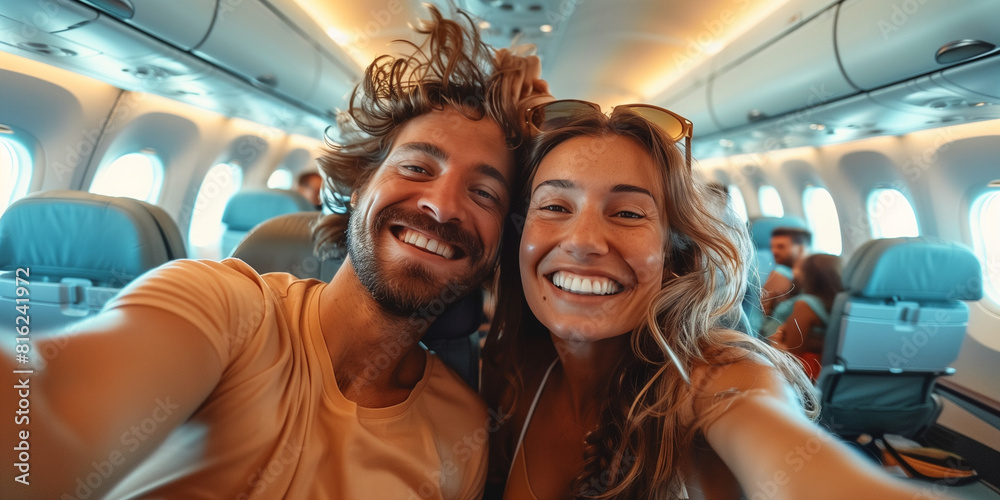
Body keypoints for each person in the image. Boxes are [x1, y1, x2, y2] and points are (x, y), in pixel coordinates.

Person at [0, 8, 549, 499]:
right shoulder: (224, 309)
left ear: (501, 239)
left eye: (484, 193)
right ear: (359, 185)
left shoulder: (463, 432)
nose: (443, 206)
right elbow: (46, 409)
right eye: (416, 167)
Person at [481, 101, 951, 499]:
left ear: (673, 254)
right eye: (554, 206)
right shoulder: (513, 368)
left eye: (627, 213)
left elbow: (774, 435)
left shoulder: (714, 381)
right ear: (519, 236)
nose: (583, 241)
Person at [768, 254, 844, 381]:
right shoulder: (839, 303)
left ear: (809, 276)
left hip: (800, 370)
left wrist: (775, 342)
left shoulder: (805, 305)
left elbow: (791, 351)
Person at [760, 226, 812, 317]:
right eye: (772, 247)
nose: (774, 251)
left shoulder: (779, 274)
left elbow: (763, 311)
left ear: (801, 249)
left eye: (781, 247)